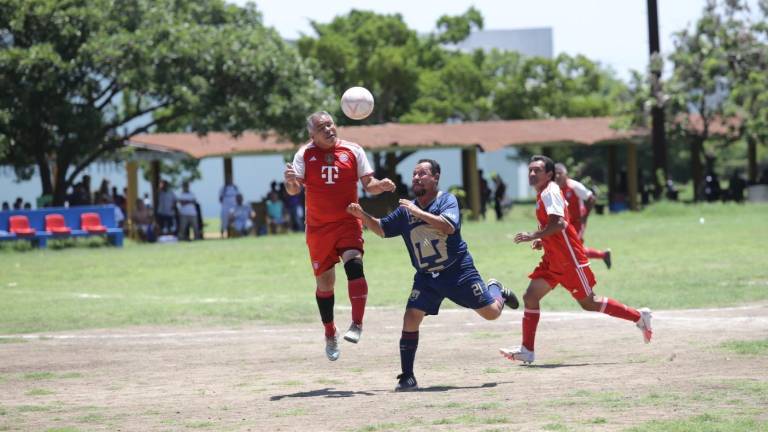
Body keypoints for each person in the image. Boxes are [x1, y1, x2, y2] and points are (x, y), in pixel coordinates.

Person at [346, 159, 520, 391]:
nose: (416, 177)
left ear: (436, 178)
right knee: (410, 317)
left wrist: (418, 212)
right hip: (427, 277)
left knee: (491, 314)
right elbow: (382, 229)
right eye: (414, 174)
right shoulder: (406, 210)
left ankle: (496, 289)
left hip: (458, 272)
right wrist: (362, 215)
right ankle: (407, 377)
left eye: (422, 173)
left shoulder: (446, 200)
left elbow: (448, 226)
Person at [500, 155, 652, 365]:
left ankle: (639, 317)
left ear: (549, 174)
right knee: (530, 296)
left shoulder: (550, 191)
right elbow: (554, 224)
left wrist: (535, 235)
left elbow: (560, 224)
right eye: (530, 170)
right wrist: (543, 240)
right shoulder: (544, 192)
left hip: (569, 260)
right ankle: (527, 350)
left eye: (537, 170)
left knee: (589, 303)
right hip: (553, 260)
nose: (532, 174)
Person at [284, 111, 396, 361]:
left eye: (330, 124)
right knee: (325, 284)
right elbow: (294, 189)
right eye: (322, 127)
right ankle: (330, 331)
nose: (328, 129)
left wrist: (382, 185)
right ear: (312, 134)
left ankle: (357, 324)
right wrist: (290, 181)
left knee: (355, 266)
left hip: (348, 220)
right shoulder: (305, 154)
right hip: (318, 228)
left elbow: (369, 184)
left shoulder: (353, 150)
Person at [554, 163, 611, 269]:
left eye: (559, 173)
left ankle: (579, 271)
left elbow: (591, 198)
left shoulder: (574, 186)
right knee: (571, 248)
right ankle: (603, 255)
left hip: (577, 223)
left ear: (565, 174)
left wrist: (585, 216)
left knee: (572, 248)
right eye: (555, 174)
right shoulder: (554, 188)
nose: (557, 176)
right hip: (565, 224)